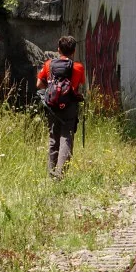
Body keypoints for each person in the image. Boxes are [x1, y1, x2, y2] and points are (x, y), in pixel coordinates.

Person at [36, 36, 86, 180]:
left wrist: (52, 90)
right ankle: (60, 175)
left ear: (58, 49)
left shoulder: (48, 64)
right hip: (70, 106)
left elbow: (39, 84)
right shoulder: (78, 67)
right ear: (74, 51)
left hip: (52, 107)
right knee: (66, 138)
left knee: (53, 139)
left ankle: (51, 174)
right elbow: (78, 85)